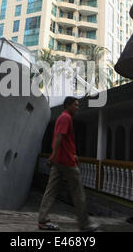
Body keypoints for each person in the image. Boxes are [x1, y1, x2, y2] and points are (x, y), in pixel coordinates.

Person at [38, 97, 99, 232]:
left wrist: (68, 154)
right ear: (68, 106)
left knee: (50, 191)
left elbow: (63, 140)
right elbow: (59, 137)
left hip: (60, 161)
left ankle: (42, 220)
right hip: (66, 162)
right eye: (76, 105)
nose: (78, 107)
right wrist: (53, 156)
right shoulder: (66, 118)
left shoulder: (62, 118)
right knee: (78, 192)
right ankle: (84, 224)